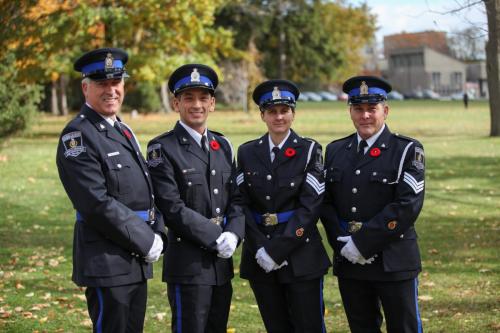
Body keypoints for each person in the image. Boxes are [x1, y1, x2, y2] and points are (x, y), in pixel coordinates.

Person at [56, 48, 166, 332]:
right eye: (101, 84)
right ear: (85, 87)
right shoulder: (78, 135)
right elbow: (95, 202)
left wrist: (158, 231)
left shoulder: (122, 130)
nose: (111, 90)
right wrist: (146, 239)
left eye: (116, 82)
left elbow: (146, 189)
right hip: (106, 259)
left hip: (133, 259)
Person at [320, 76, 425, 333]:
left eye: (372, 108)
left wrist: (362, 242)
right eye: (358, 109)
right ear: (350, 112)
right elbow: (326, 203)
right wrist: (343, 244)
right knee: (361, 327)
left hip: (393, 260)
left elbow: (407, 205)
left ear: (385, 111)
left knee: (404, 327)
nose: (365, 115)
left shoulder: (407, 150)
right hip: (350, 261)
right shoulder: (335, 150)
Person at [146, 64, 245, 333]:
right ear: (176, 103)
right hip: (188, 265)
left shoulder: (222, 145)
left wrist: (234, 234)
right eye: (188, 98)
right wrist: (216, 235)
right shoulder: (162, 148)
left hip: (221, 265)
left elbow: (236, 198)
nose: (197, 104)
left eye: (203, 98)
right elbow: (171, 206)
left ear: (212, 103)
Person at [237, 79, 331, 333]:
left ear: (293, 113)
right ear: (262, 115)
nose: (279, 117)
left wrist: (276, 251)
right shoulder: (246, 152)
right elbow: (240, 203)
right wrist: (259, 248)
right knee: (275, 326)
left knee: (308, 326)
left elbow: (310, 207)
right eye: (272, 112)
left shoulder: (310, 150)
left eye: (284, 111)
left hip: (301, 255)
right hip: (259, 255)